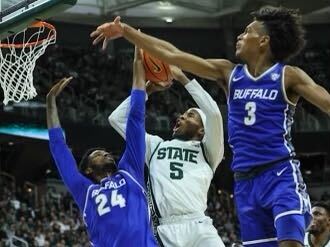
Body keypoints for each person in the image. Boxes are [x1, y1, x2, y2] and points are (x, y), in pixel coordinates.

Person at [91, 5, 330, 247]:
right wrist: (126, 31)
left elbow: (328, 103)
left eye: (247, 32)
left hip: (278, 172)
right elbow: (173, 54)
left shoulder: (289, 76)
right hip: (245, 183)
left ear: (263, 41)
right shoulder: (228, 73)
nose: (240, 35)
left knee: (291, 244)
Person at [46, 46, 157, 246]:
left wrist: (138, 63)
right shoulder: (85, 191)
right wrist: (50, 102)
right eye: (98, 154)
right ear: (88, 168)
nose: (106, 154)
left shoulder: (130, 171)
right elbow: (59, 149)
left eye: (106, 152)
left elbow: (136, 119)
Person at [109, 66, 225, 247]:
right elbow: (117, 119)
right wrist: (146, 90)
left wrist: (183, 78)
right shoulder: (155, 146)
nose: (181, 117)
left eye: (190, 115)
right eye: (183, 114)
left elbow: (214, 113)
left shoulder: (209, 150)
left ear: (203, 130)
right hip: (165, 229)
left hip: (199, 225)